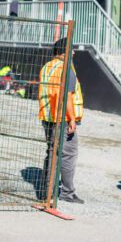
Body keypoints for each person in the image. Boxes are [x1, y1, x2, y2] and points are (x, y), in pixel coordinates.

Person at [38, 37, 84, 204]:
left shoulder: (47, 67)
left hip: (48, 117)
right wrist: (71, 119)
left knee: (52, 152)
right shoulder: (66, 69)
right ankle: (67, 192)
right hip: (63, 119)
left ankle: (46, 191)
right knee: (68, 154)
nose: (74, 52)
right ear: (64, 51)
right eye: (71, 49)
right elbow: (67, 97)